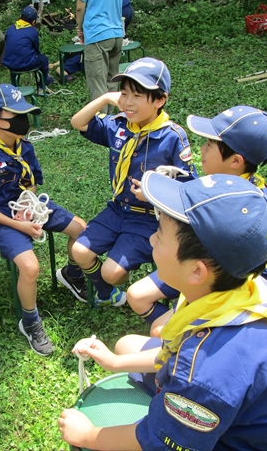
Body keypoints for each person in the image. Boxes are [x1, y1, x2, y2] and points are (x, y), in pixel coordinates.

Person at [59, 172, 267, 450]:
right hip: (230, 412)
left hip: (226, 440)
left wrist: (88, 436)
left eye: (159, 235)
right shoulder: (239, 291)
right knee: (126, 346)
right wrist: (112, 362)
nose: (151, 241)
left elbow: (161, 440)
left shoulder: (206, 372)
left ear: (196, 270)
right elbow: (178, 350)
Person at [127, 105, 267, 336]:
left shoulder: (256, 213)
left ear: (235, 161)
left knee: (158, 330)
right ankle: (178, 329)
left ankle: (189, 335)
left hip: (223, 286)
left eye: (209, 144)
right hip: (193, 263)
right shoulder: (217, 182)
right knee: (136, 296)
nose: (201, 149)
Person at [0, 84, 87, 356]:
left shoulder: (24, 146)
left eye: (25, 113)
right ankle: (30, 322)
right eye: (15, 115)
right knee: (30, 268)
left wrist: (28, 206)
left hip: (25, 208)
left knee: (81, 229)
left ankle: (72, 275)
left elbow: (30, 183)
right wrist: (20, 224)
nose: (23, 120)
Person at [68, 58, 197, 307]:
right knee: (80, 252)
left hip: (149, 217)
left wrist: (152, 195)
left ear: (160, 100)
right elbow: (79, 123)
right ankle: (108, 294)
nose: (127, 102)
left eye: (137, 96)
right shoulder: (119, 126)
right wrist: (105, 98)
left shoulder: (172, 137)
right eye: (124, 94)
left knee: (111, 272)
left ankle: (133, 287)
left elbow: (188, 188)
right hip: (118, 209)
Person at [76, 0, 125, 114]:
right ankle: (111, 121)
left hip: (97, 34)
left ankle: (101, 127)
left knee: (97, 84)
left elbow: (80, 6)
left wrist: (80, 27)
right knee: (112, 81)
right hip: (117, 33)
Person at [1, 5, 55, 89]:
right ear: (33, 22)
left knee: (15, 63)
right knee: (44, 60)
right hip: (25, 64)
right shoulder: (32, 31)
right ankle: (42, 86)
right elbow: (36, 49)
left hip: (10, 63)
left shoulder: (10, 29)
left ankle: (14, 88)